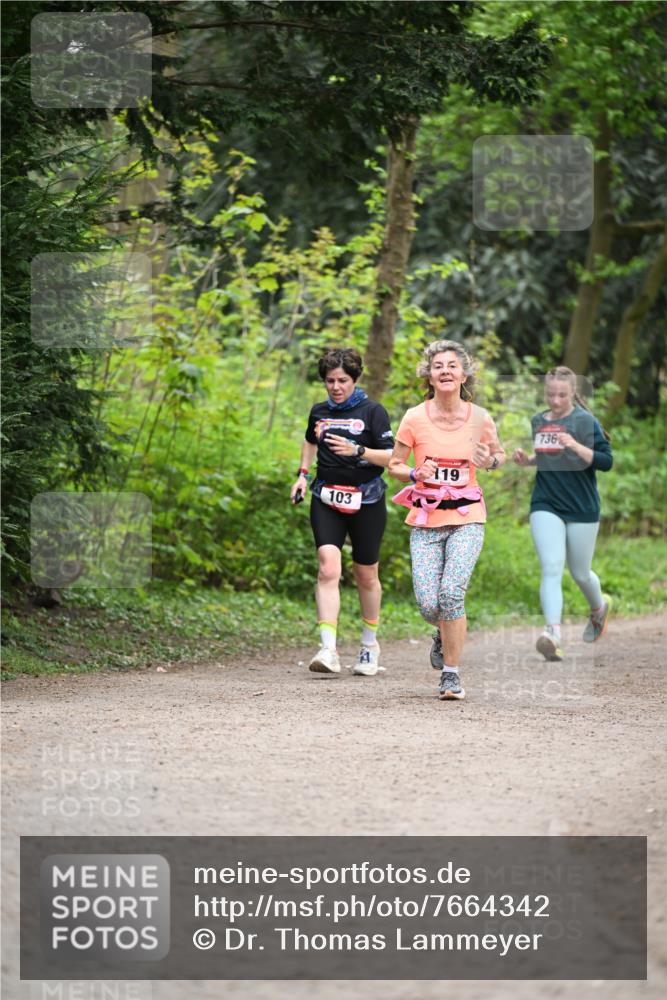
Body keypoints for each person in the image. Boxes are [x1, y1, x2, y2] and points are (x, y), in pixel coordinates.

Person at [388, 339, 505, 701]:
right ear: (429, 374)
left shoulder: (480, 418)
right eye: (438, 366)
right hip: (425, 520)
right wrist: (414, 473)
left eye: (452, 365)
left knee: (451, 592)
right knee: (428, 602)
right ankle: (442, 631)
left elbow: (497, 456)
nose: (445, 371)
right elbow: (394, 465)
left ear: (464, 374)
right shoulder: (414, 417)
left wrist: (490, 462)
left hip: (468, 517)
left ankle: (451, 675)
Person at [291, 348, 394, 677]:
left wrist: (358, 450)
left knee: (366, 575)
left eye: (343, 381)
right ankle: (328, 648)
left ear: (355, 379)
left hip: (366, 499)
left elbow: (392, 457)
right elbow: (310, 440)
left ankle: (368, 645)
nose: (336, 387)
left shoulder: (373, 412)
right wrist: (303, 476)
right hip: (326, 496)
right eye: (330, 381)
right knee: (327, 568)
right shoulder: (319, 411)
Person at [512, 365, 613, 661]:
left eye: (562, 395)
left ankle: (598, 609)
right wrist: (527, 460)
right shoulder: (538, 421)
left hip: (582, 506)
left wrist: (576, 445)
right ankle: (552, 634)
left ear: (572, 394)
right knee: (552, 567)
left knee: (580, 573)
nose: (555, 401)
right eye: (550, 394)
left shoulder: (585, 421)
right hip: (546, 503)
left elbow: (606, 462)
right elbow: (548, 458)